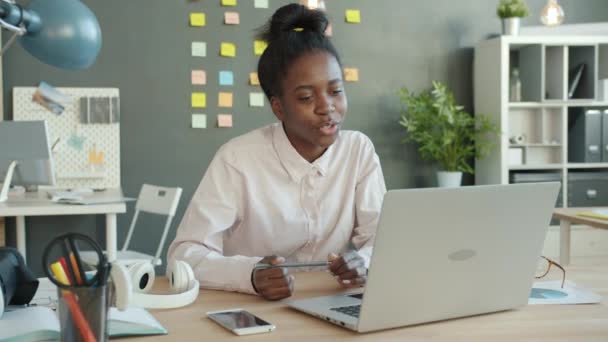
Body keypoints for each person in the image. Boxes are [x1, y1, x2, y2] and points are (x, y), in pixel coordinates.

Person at [167, 3, 386, 301]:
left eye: (335, 91)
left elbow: (382, 239)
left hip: (332, 303)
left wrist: (365, 262)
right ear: (278, 107)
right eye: (307, 97)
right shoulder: (238, 159)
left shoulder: (358, 151)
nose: (327, 107)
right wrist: (250, 275)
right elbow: (184, 256)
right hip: (252, 308)